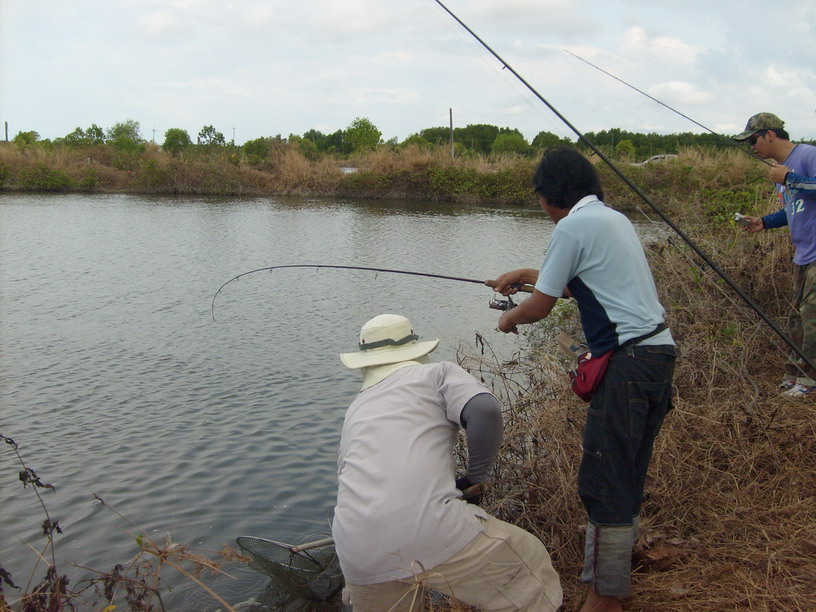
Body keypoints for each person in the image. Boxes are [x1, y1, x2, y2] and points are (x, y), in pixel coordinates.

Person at [493, 147, 677, 612]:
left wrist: (509, 320)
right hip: (658, 354)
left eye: (539, 197)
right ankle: (613, 573)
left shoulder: (570, 226)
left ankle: (604, 599)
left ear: (549, 195)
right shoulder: (611, 219)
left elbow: (541, 308)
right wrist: (527, 274)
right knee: (627, 470)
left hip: (628, 364)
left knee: (604, 478)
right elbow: (582, 284)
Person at [332, 313, 562, 612]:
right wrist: (474, 479)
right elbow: (485, 410)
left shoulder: (357, 408)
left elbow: (345, 477)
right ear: (416, 348)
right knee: (528, 562)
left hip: (353, 548)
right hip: (427, 526)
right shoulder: (436, 374)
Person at [734, 112, 816, 397]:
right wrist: (764, 222)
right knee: (796, 318)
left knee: (811, 318)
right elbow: (794, 208)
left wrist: (790, 177)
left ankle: (809, 382)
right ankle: (794, 375)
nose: (751, 146)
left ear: (769, 134)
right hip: (803, 254)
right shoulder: (779, 171)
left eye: (753, 139)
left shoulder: (807, 155)